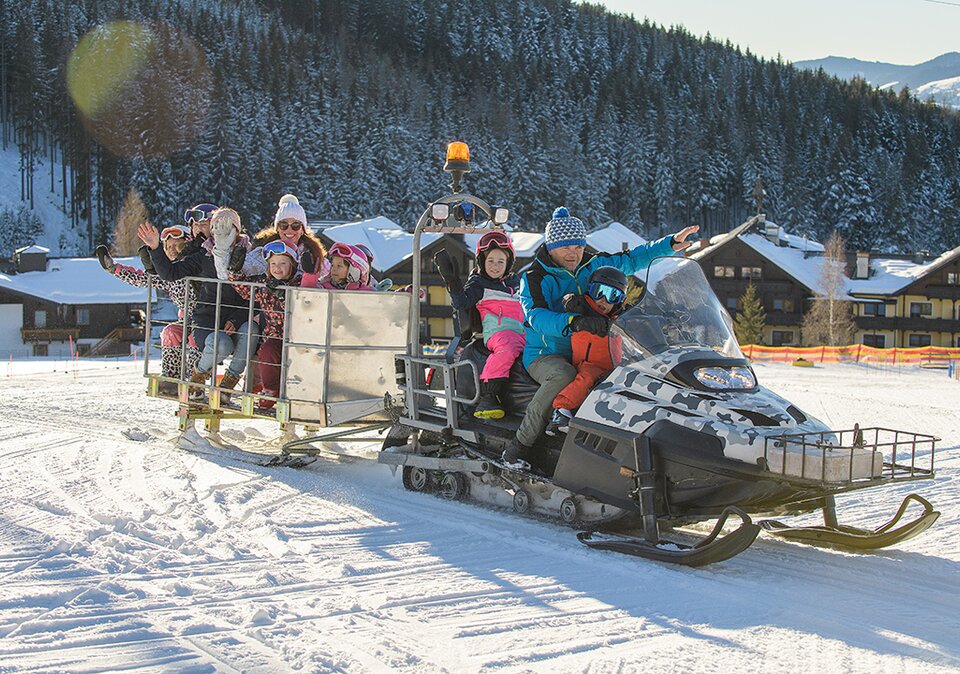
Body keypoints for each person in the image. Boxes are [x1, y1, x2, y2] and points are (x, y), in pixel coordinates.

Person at [501, 206, 698, 469]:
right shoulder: (535, 277)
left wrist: (670, 244)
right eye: (567, 248)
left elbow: (631, 260)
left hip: (588, 350)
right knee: (563, 376)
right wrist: (574, 322)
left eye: (579, 247)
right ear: (551, 247)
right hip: (546, 354)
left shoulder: (591, 264)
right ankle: (520, 446)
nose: (574, 253)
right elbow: (536, 317)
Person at [139, 207, 261, 401]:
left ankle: (229, 382)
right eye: (216, 228)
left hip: (237, 317)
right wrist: (155, 249)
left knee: (251, 330)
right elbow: (170, 273)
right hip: (207, 317)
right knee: (221, 343)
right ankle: (199, 373)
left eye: (227, 228)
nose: (220, 233)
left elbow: (255, 296)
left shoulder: (250, 256)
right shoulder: (203, 256)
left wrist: (237, 320)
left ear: (237, 231)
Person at [96, 224, 201, 392]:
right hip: (186, 321)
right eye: (168, 247)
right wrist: (114, 269)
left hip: (206, 320)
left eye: (176, 245)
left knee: (196, 337)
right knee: (170, 332)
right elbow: (143, 279)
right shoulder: (169, 273)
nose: (172, 250)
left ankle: (195, 381)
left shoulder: (195, 266)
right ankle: (171, 378)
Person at [438, 231, 524, 419]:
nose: (495, 266)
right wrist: (452, 282)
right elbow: (462, 303)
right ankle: (488, 394)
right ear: (482, 262)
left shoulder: (515, 283)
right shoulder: (479, 283)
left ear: (508, 264)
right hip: (498, 332)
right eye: (491, 261)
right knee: (507, 349)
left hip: (522, 330)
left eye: (500, 262)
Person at [545, 266, 627, 436]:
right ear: (590, 290)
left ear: (620, 300)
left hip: (613, 367)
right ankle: (561, 411)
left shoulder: (621, 316)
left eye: (613, 296)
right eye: (599, 291)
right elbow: (571, 302)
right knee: (587, 377)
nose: (603, 300)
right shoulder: (584, 308)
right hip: (588, 363)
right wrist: (572, 302)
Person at [228, 240, 302, 409]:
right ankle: (269, 390)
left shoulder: (298, 283)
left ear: (293, 265)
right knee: (267, 350)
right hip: (274, 337)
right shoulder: (265, 284)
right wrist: (233, 270)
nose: (277, 268)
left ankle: (298, 394)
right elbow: (244, 289)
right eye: (273, 263)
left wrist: (283, 294)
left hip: (297, 337)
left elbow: (308, 298)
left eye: (283, 263)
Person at [247, 194, 328, 283]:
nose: (289, 230)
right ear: (277, 228)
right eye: (283, 225)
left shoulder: (314, 254)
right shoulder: (264, 250)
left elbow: (329, 279)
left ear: (302, 229)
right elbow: (244, 271)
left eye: (295, 225)